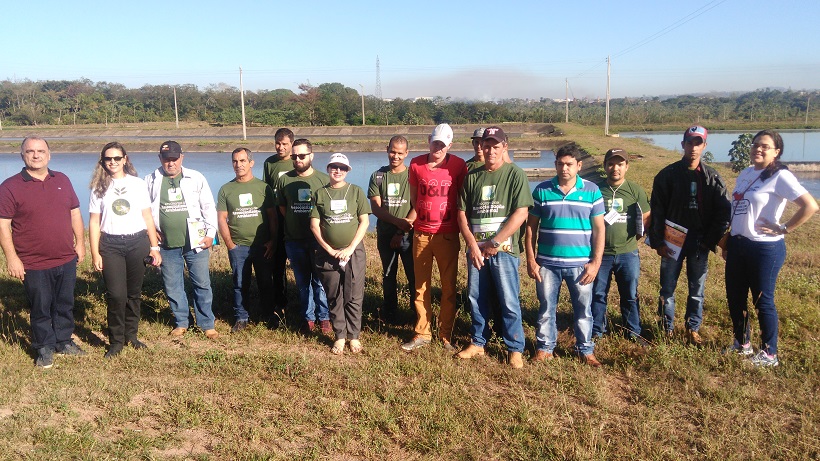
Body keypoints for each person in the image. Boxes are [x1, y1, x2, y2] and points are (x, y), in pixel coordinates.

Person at [723, 130, 818, 367]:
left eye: (765, 146)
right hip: (738, 244)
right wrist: (730, 238)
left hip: (764, 249)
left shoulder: (781, 177)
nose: (758, 149)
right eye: (756, 145)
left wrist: (784, 228)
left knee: (762, 300)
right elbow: (739, 208)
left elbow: (810, 205)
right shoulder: (746, 173)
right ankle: (742, 344)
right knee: (735, 297)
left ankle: (769, 353)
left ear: (776, 152)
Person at [0, 136, 86, 368]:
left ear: (49, 154)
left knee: (64, 303)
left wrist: (81, 242)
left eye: (40, 151)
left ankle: (63, 341)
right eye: (30, 151)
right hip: (33, 261)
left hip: (66, 257)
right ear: (22, 155)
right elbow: (3, 224)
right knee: (41, 306)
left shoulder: (63, 180)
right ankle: (44, 347)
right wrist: (12, 258)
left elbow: (75, 212)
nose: (36, 155)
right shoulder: (10, 186)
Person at [456, 127, 532, 368]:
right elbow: (461, 214)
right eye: (486, 145)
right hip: (477, 251)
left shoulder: (514, 174)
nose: (489, 150)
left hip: (504, 250)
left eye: (495, 146)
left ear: (504, 147)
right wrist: (472, 245)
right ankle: (478, 342)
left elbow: (521, 213)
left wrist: (495, 242)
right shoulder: (472, 175)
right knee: (476, 298)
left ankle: (514, 347)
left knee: (509, 299)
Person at [648, 125, 731, 345]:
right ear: (683, 144)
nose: (693, 148)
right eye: (689, 143)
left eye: (698, 143)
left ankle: (692, 328)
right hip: (672, 243)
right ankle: (667, 327)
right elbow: (656, 210)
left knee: (697, 289)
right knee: (667, 288)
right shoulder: (667, 175)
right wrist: (658, 242)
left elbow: (723, 214)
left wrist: (709, 241)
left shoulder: (712, 178)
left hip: (700, 244)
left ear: (704, 145)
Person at [526, 143, 605, 367]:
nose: (564, 169)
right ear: (555, 165)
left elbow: (599, 229)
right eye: (560, 164)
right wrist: (532, 261)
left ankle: (585, 350)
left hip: (580, 265)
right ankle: (544, 348)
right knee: (546, 308)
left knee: (583, 309)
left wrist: (595, 263)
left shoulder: (591, 191)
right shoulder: (542, 190)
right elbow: (531, 228)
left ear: (579, 166)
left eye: (569, 164)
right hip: (547, 264)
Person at [89, 142, 162, 358]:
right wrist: (95, 253)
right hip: (110, 245)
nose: (112, 162)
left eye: (117, 158)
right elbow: (94, 223)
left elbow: (147, 217)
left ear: (125, 159)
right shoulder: (98, 187)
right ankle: (116, 341)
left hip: (137, 243)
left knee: (133, 294)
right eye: (108, 159)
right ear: (102, 161)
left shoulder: (138, 184)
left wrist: (154, 247)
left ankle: (131, 335)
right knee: (116, 295)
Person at [401, 123, 467, 352]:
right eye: (435, 142)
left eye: (443, 144)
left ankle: (446, 334)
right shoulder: (416, 164)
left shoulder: (458, 166)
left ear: (450, 145)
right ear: (429, 140)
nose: (438, 147)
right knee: (420, 286)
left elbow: (461, 198)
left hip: (447, 235)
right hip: (421, 234)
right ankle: (422, 332)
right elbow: (413, 197)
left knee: (449, 287)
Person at [145, 141, 219, 339]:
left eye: (174, 159)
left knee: (202, 283)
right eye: (167, 159)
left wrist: (211, 234)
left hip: (196, 242)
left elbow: (209, 207)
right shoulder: (150, 180)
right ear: (160, 159)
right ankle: (181, 322)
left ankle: (207, 323)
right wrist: (149, 231)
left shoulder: (195, 177)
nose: (171, 163)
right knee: (172, 285)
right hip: (167, 244)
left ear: (182, 158)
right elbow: (142, 211)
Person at [310, 154, 371, 354]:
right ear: (328, 169)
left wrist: (350, 248)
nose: (338, 171)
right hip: (328, 254)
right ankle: (340, 336)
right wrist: (329, 249)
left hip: (353, 252)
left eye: (342, 168)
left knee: (354, 295)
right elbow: (314, 225)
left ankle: (354, 336)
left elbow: (364, 221)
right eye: (334, 167)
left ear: (347, 170)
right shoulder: (320, 194)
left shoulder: (356, 191)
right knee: (334, 295)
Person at [591, 148, 651, 343]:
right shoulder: (596, 190)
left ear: (627, 167)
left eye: (620, 164)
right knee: (598, 293)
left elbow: (646, 217)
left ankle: (633, 332)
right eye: (611, 163)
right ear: (604, 165)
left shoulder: (635, 190)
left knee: (630, 294)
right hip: (601, 254)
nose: (615, 168)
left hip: (628, 253)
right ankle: (597, 331)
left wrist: (636, 237)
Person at [217, 148, 277, 333]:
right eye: (235, 161)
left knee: (266, 282)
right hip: (239, 247)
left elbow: (272, 217)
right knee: (239, 283)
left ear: (251, 163)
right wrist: (230, 244)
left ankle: (268, 314)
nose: (238, 165)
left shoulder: (263, 187)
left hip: (262, 245)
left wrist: (273, 241)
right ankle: (241, 317)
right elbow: (221, 218)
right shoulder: (226, 189)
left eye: (243, 161)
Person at [275, 139, 331, 333]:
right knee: (302, 283)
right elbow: (283, 208)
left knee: (320, 281)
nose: (297, 159)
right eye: (294, 156)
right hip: (294, 240)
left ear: (311, 156)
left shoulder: (323, 180)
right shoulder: (284, 180)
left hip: (318, 240)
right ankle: (308, 318)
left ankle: (324, 317)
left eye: (302, 155)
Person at [368, 135, 415, 324]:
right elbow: (376, 209)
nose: (395, 156)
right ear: (387, 149)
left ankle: (416, 314)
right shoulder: (378, 176)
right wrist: (398, 224)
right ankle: (389, 313)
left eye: (400, 153)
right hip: (385, 234)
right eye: (392, 151)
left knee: (413, 276)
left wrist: (401, 231)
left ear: (407, 153)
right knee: (388, 275)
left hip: (408, 236)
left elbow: (417, 206)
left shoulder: (413, 175)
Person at [262, 128, 295, 318]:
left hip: (293, 216)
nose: (280, 147)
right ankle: (280, 302)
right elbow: (266, 190)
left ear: (291, 144)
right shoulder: (269, 163)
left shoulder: (296, 161)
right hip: (275, 217)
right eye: (277, 143)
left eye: (284, 144)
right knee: (277, 261)